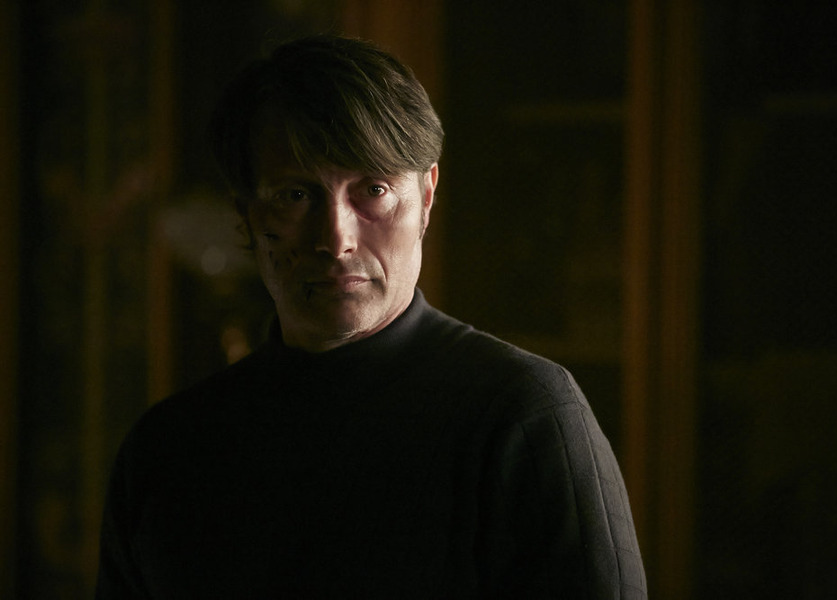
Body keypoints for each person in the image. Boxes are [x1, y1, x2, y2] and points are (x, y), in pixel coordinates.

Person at [95, 34, 647, 599]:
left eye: (374, 190)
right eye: (295, 195)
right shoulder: (168, 451)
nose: (336, 239)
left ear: (426, 197)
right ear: (247, 213)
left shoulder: (523, 418)